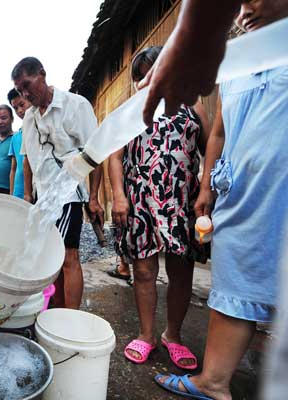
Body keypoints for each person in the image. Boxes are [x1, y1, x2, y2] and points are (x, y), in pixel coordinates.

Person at [155, 1, 288, 398]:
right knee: (235, 278)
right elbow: (219, 133)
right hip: (242, 193)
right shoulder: (235, 61)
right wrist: (206, 185)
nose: (245, 9)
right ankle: (214, 381)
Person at [109, 46, 210, 370]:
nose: (146, 80)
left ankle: (174, 335)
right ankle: (147, 334)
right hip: (140, 199)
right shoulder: (133, 107)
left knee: (182, 272)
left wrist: (206, 190)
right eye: (140, 75)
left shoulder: (193, 103)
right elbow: (114, 155)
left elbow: (212, 149)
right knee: (143, 270)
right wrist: (119, 196)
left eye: (153, 70)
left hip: (182, 200)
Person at [11, 57, 104, 309]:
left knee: (69, 256)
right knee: (51, 258)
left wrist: (93, 197)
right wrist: (28, 194)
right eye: (20, 90)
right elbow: (28, 159)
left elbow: (96, 154)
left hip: (68, 193)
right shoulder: (29, 118)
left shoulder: (75, 105)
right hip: (44, 198)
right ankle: (56, 311)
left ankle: (70, 317)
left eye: (28, 85)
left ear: (42, 74)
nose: (25, 93)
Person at [140, 0, 242, 124]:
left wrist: (188, 32)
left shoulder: (193, 108)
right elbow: (218, 135)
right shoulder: (130, 121)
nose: (141, 82)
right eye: (138, 78)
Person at [7, 88, 31, 199]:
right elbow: (13, 168)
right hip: (18, 191)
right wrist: (12, 194)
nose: (20, 111)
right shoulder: (15, 137)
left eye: (22, 105)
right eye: (15, 108)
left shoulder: (38, 129)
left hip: (35, 189)